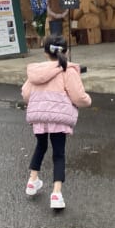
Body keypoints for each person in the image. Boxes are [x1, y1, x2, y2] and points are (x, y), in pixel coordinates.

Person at [21, 34, 91, 209]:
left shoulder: (36, 71)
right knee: (58, 153)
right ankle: (56, 194)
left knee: (41, 146)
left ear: (45, 53)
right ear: (65, 52)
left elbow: (26, 93)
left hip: (39, 117)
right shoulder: (67, 70)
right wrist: (87, 101)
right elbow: (78, 96)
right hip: (58, 117)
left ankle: (32, 181)